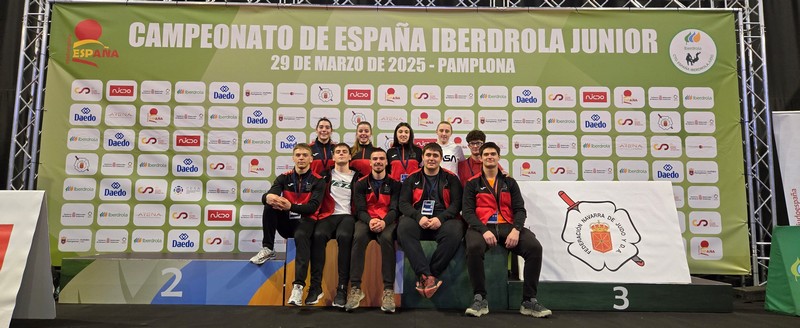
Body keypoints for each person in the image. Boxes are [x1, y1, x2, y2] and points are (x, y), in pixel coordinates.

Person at [461, 142, 551, 318]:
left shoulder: (509, 182)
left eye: (493, 154)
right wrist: (483, 230)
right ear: (480, 158)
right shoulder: (472, 183)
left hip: (508, 226)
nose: (489, 157)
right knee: (473, 248)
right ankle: (480, 299)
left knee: (534, 248)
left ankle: (529, 301)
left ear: (498, 157)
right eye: (485, 154)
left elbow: (520, 209)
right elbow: (468, 212)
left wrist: (516, 230)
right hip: (482, 227)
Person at [249, 143, 325, 306]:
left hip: (306, 221)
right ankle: (268, 248)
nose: (301, 158)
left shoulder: (318, 181)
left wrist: (291, 206)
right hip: (286, 223)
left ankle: (298, 288)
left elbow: (312, 207)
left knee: (301, 235)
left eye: (305, 155)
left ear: (311, 159)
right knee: (270, 205)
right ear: (293, 157)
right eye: (298, 155)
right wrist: (267, 197)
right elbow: (270, 194)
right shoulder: (284, 177)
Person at [397, 142, 464, 298]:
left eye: (435, 155)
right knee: (403, 227)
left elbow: (456, 204)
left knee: (456, 229)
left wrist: (441, 218)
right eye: (428, 155)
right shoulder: (412, 178)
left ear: (441, 158)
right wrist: (418, 217)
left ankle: (429, 275)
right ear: (423, 157)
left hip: (442, 219)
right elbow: (403, 204)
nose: (431, 158)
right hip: (418, 218)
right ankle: (426, 274)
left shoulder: (451, 178)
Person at [345, 148, 402, 313]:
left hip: (387, 221)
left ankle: (389, 290)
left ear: (386, 162)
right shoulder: (361, 183)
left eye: (381, 159)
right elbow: (360, 210)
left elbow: (395, 209)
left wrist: (384, 222)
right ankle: (356, 288)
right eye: (375, 159)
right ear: (370, 163)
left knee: (387, 239)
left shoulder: (395, 184)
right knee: (358, 237)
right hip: (366, 220)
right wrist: (370, 221)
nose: (378, 161)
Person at [308, 142, 361, 307]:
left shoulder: (358, 177)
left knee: (345, 237)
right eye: (338, 152)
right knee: (318, 235)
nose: (341, 154)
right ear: (333, 157)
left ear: (350, 156)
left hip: (347, 216)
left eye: (345, 151)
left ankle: (342, 289)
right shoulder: (324, 176)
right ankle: (315, 287)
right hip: (328, 215)